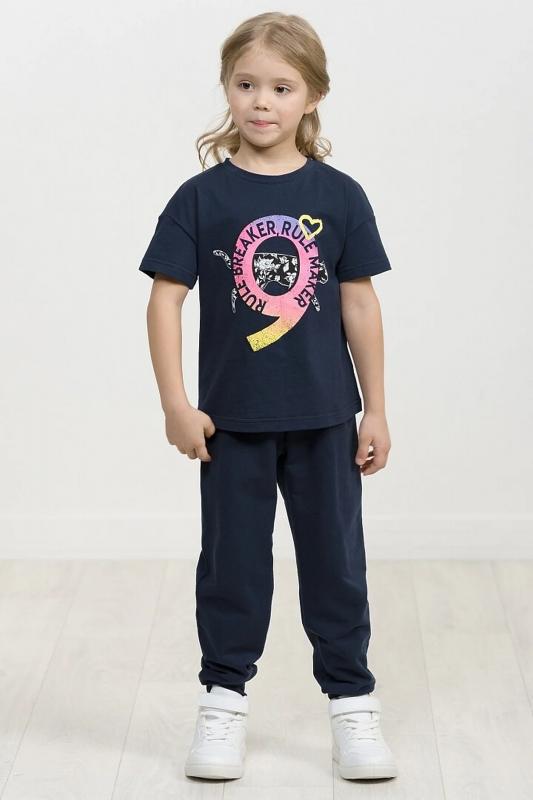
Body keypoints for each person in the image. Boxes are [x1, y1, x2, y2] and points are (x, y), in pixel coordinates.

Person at [138, 11, 398, 784]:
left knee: (336, 567)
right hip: (232, 425)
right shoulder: (200, 198)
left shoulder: (340, 197)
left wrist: (375, 407)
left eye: (281, 88)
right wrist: (175, 403)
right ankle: (222, 701)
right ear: (226, 88)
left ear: (312, 96)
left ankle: (351, 705)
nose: (261, 101)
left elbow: (359, 304)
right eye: (246, 84)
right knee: (232, 569)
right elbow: (164, 300)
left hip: (325, 419)